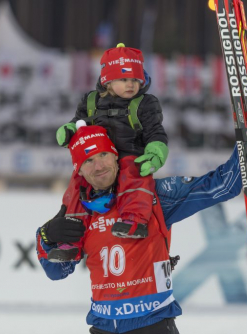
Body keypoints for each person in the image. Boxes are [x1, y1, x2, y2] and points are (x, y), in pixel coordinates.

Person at [36, 99, 247, 334]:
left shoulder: (153, 196)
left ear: (116, 155)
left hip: (153, 325)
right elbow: (57, 271)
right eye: (88, 161)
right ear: (79, 170)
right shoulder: (79, 211)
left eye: (103, 155)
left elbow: (224, 184)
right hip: (102, 326)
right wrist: (45, 236)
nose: (98, 166)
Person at [53, 43, 169, 262]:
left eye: (135, 80)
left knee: (134, 172)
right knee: (78, 183)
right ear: (108, 80)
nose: (131, 85)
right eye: (124, 80)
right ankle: (71, 239)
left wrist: (156, 150)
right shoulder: (90, 102)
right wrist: (68, 130)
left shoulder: (145, 104)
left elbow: (155, 131)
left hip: (128, 154)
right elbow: (77, 123)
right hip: (98, 157)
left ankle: (134, 220)